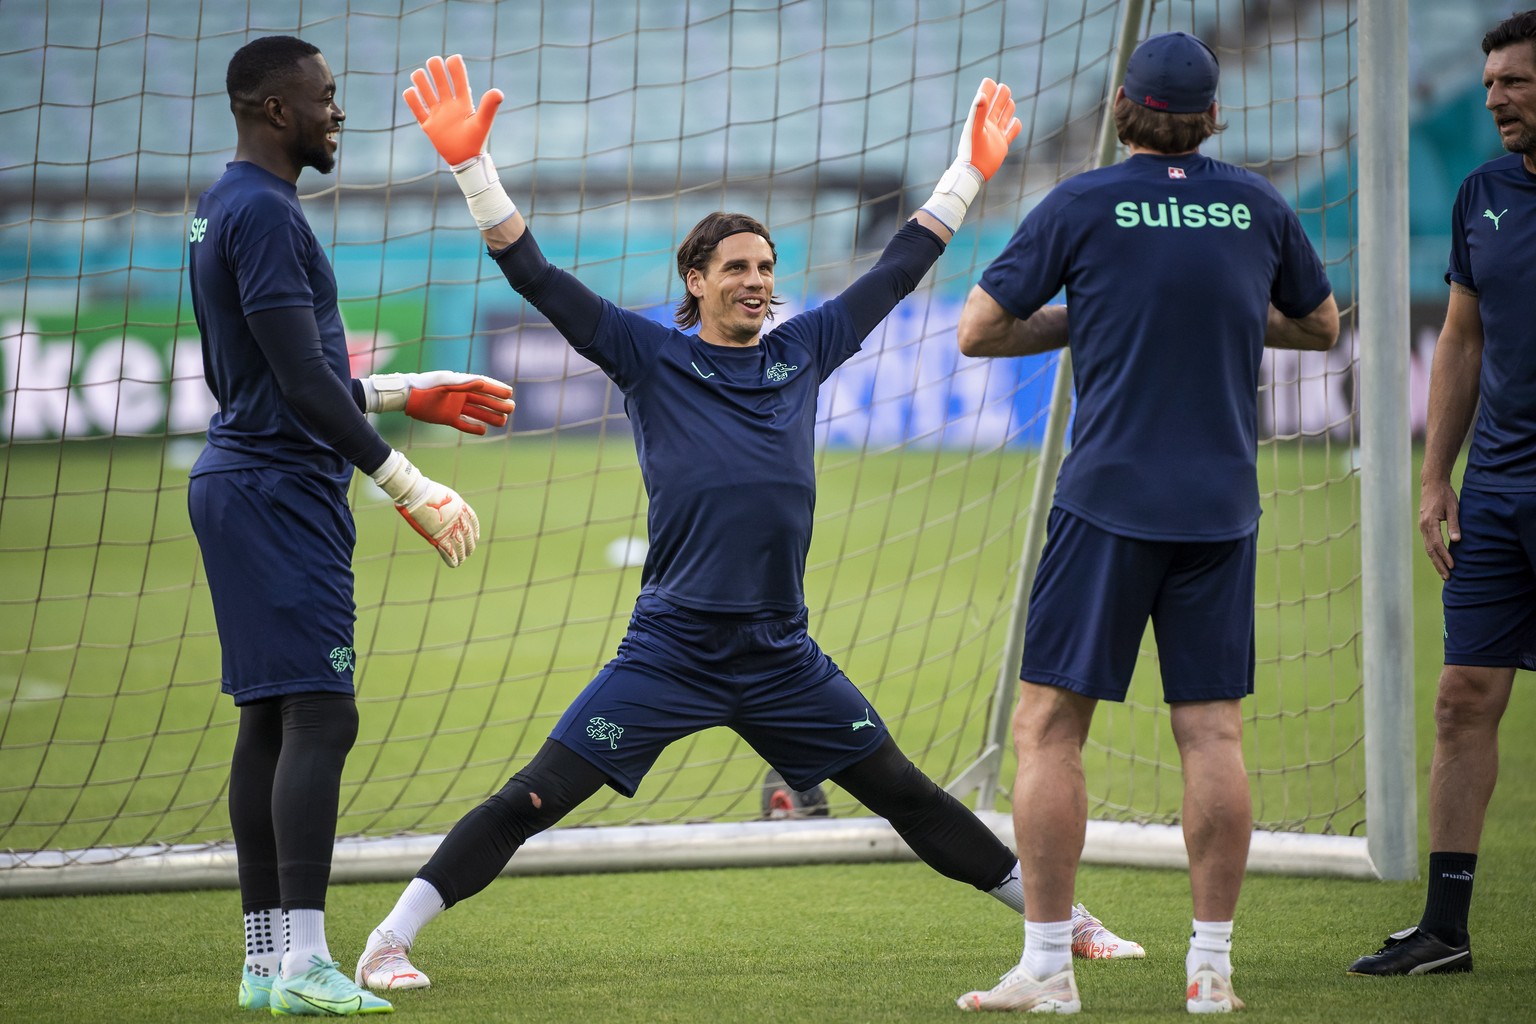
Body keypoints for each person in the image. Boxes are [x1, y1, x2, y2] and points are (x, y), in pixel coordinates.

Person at [353, 54, 1144, 995]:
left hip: (781, 652)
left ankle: (1066, 923)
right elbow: (534, 274)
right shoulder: (647, 353)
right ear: (694, 280)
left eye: (767, 268)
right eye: (737, 269)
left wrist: (969, 171)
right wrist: (472, 169)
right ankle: (389, 940)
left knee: (906, 795)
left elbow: (901, 266)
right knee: (534, 795)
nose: (758, 282)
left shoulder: (803, 348)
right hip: (671, 650)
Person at [950, 31, 1338, 1014]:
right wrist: (1223, 307)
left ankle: (1047, 968)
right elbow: (1323, 323)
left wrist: (1093, 312)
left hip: (1110, 497)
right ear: (1214, 116)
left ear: (1123, 106)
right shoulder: (1255, 203)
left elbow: (979, 328)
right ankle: (1211, 967)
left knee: (1048, 726)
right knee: (1211, 730)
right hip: (1221, 502)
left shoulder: (1083, 201)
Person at [188, 35, 514, 1016]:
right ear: (275, 108)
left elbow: (275, 379)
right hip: (279, 489)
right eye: (326, 97)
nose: (339, 113)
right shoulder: (268, 217)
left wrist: (410, 389)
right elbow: (298, 386)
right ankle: (304, 963)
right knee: (321, 714)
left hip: (247, 479)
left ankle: (265, 960)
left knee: (274, 718)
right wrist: (409, 482)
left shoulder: (226, 207)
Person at [1348, 9, 1536, 979]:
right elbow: (1460, 338)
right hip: (1498, 491)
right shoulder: (1484, 195)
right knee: (1464, 698)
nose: (1497, 97)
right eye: (1492, 81)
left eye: (1515, 81)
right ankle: (1445, 931)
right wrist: (1434, 477)